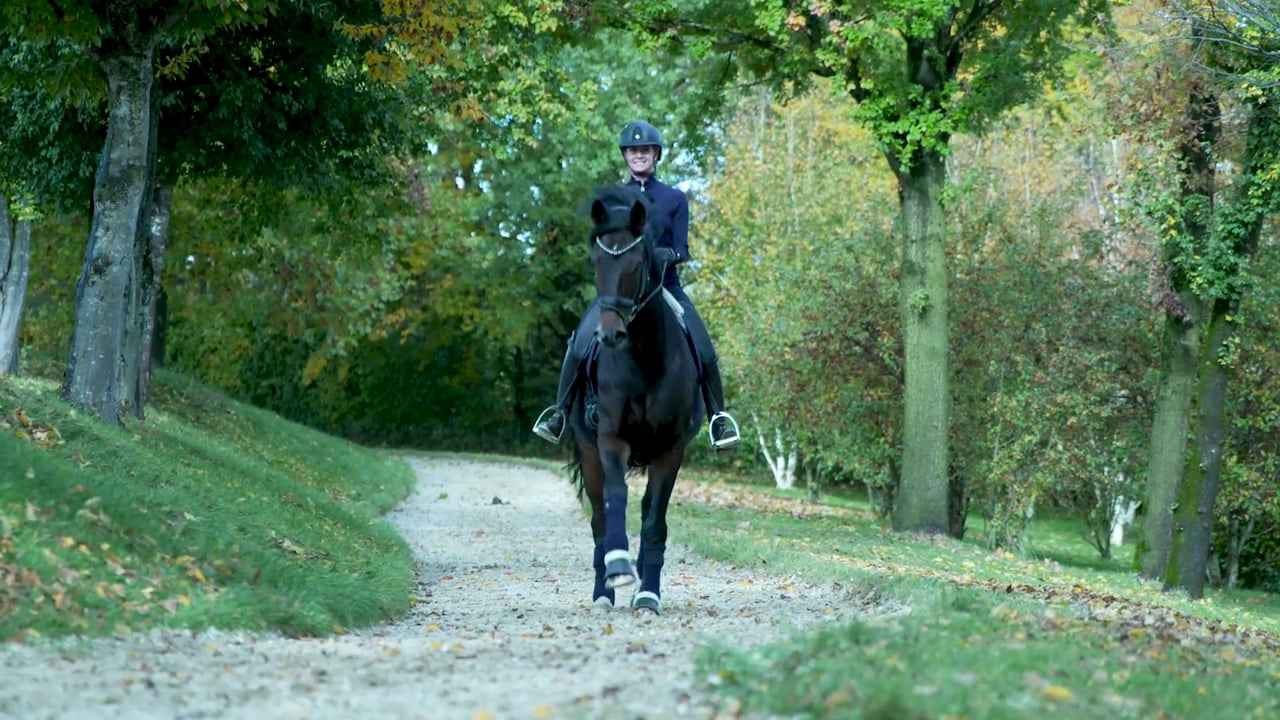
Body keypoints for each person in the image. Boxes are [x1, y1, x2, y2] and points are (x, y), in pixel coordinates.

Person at [532, 120, 741, 450]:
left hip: (665, 287)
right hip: (621, 293)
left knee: (703, 345)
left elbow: (682, 250)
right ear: (625, 157)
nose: (639, 155)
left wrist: (661, 255)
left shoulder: (674, 198)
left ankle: (719, 419)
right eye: (633, 151)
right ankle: (558, 414)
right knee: (580, 340)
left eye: (645, 150)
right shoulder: (617, 198)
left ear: (655, 155)